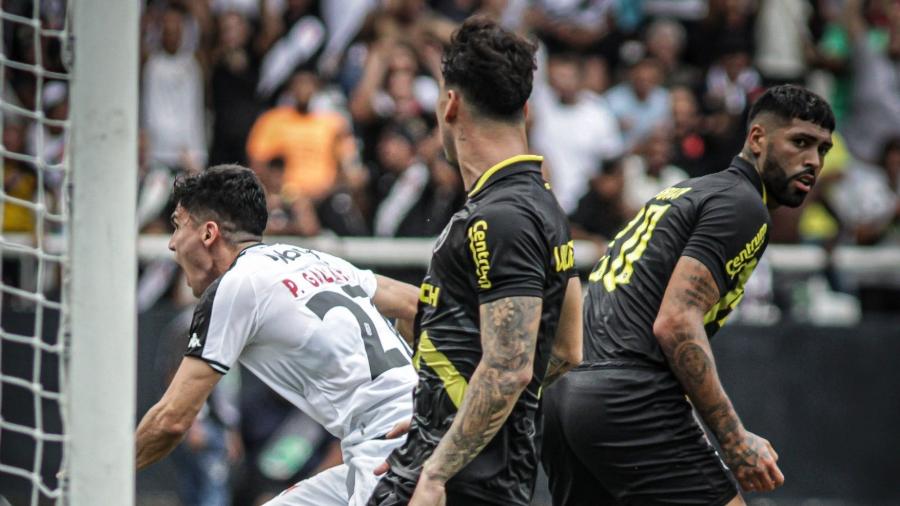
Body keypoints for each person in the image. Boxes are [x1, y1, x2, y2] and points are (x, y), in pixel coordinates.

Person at [542, 84, 835, 505]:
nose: (812, 161)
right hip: (628, 396)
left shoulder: (689, 192)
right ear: (757, 139)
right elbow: (677, 321)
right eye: (800, 142)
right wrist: (733, 439)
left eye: (823, 150)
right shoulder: (743, 206)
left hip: (567, 397)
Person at [369, 17, 583, 506]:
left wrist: (439, 467)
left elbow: (509, 368)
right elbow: (568, 349)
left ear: (450, 104)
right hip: (482, 474)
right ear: (525, 109)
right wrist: (445, 416)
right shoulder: (544, 205)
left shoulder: (501, 217)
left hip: (456, 485)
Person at [135, 165, 421, 506]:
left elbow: (172, 419)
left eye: (178, 226)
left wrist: (98, 475)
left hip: (388, 448)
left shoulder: (235, 286)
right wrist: (425, 391)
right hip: (399, 435)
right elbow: (419, 305)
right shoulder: (316, 259)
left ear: (208, 234)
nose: (171, 244)